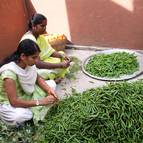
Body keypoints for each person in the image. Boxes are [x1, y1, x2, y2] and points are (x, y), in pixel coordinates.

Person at [0, 39, 58, 126]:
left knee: (52, 85)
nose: (36, 61)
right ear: (23, 56)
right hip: (10, 102)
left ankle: (34, 106)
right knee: (21, 116)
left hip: (27, 94)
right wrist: (40, 102)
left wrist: (49, 90)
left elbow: (37, 78)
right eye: (34, 57)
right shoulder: (9, 74)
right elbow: (14, 102)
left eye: (37, 57)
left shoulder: (28, 64)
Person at [20, 13, 71, 81]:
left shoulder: (40, 37)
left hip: (41, 61)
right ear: (34, 26)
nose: (45, 28)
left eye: (45, 26)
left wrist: (62, 56)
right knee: (46, 72)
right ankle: (51, 79)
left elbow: (50, 51)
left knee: (62, 53)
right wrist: (60, 65)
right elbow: (37, 64)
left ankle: (54, 75)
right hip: (32, 67)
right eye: (42, 26)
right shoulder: (29, 40)